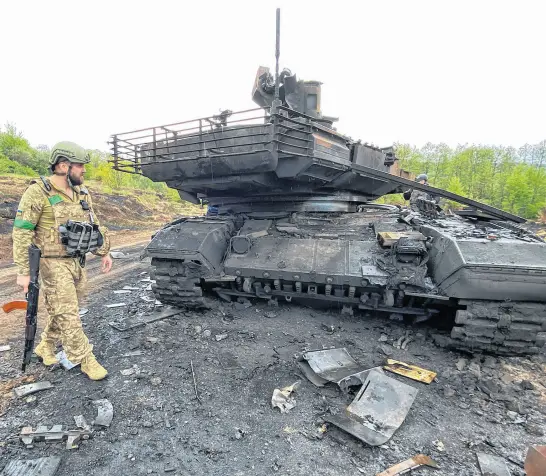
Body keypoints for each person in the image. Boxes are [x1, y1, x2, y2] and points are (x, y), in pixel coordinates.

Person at [12, 141, 113, 380]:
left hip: (76, 261)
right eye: (80, 166)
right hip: (51, 263)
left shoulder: (82, 192)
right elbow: (22, 231)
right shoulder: (38, 192)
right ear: (62, 166)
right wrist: (23, 271)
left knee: (66, 308)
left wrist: (104, 252)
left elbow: (94, 226)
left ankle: (45, 346)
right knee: (68, 313)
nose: (84, 171)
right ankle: (85, 358)